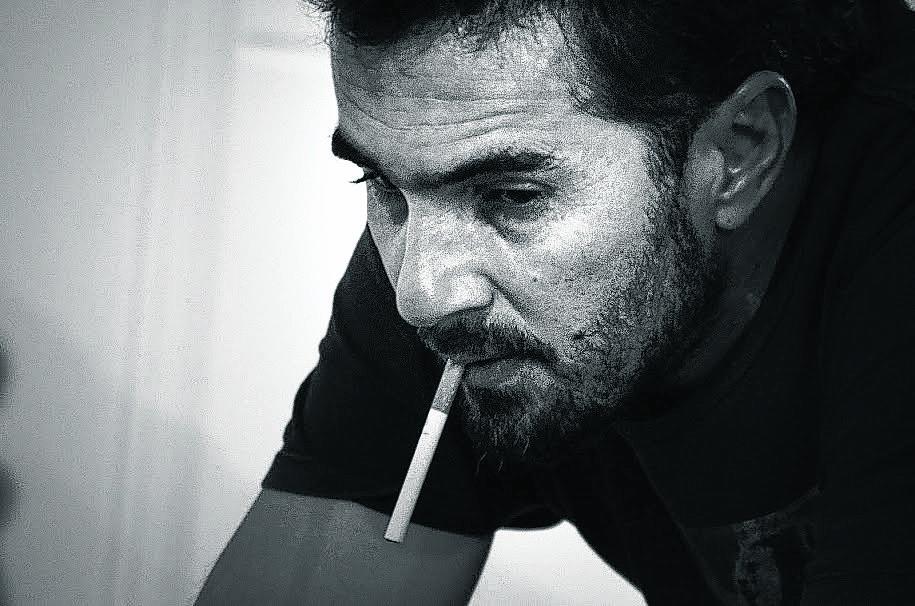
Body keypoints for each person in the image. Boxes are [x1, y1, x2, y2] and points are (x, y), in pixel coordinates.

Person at [196, 0, 915, 603]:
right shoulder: (455, 276)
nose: (420, 296)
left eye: (512, 196)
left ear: (737, 153)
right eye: (382, 185)